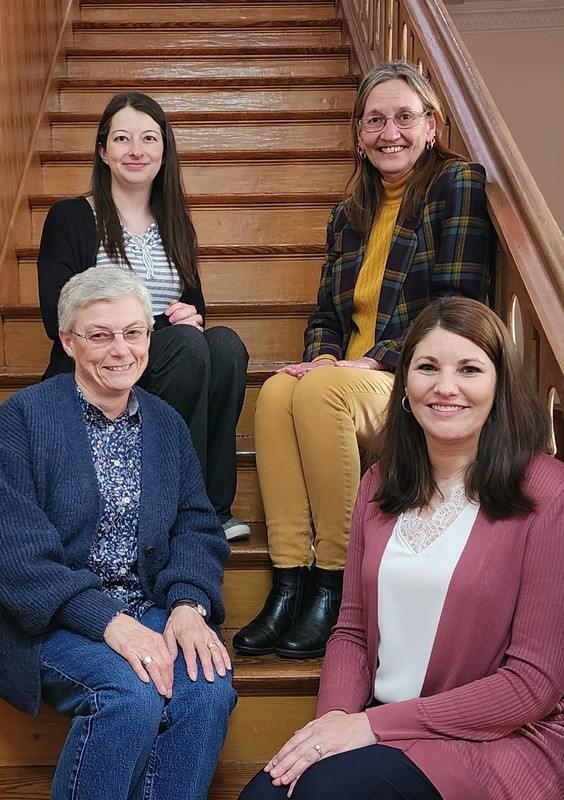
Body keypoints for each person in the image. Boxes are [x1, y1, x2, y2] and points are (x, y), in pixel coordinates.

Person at [238, 296, 563, 800]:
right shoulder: (379, 484)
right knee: (263, 796)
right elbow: (350, 631)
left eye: (470, 369)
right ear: (405, 386)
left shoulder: (546, 492)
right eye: (427, 367)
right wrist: (335, 726)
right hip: (384, 730)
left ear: (499, 386)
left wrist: (372, 728)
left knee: (323, 794)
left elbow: (531, 685)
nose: (445, 386)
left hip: (495, 739)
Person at [234, 61, 495, 659]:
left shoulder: (456, 185)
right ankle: (289, 584)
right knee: (277, 392)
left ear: (431, 125)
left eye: (404, 117)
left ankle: (339, 587)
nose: (389, 132)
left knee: (320, 391)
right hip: (348, 379)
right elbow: (326, 315)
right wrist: (322, 356)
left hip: (415, 377)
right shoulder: (347, 213)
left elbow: (454, 307)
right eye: (374, 120)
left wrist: (375, 361)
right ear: (358, 134)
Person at [0, 268, 237, 800]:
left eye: (134, 332)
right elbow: (16, 556)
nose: (120, 350)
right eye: (100, 334)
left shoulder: (166, 423)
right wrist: (107, 621)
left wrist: (187, 604)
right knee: (131, 695)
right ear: (68, 340)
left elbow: (197, 525)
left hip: (147, 601)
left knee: (208, 692)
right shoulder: (21, 419)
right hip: (51, 618)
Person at [37, 91, 250, 542]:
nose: (137, 150)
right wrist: (153, 327)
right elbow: (56, 314)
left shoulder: (175, 221)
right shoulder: (72, 216)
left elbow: (195, 308)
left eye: (149, 138)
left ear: (164, 150)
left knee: (225, 345)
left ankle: (212, 507)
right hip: (103, 364)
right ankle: (171, 501)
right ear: (103, 151)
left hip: (170, 359)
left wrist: (190, 315)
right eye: (122, 139)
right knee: (189, 346)